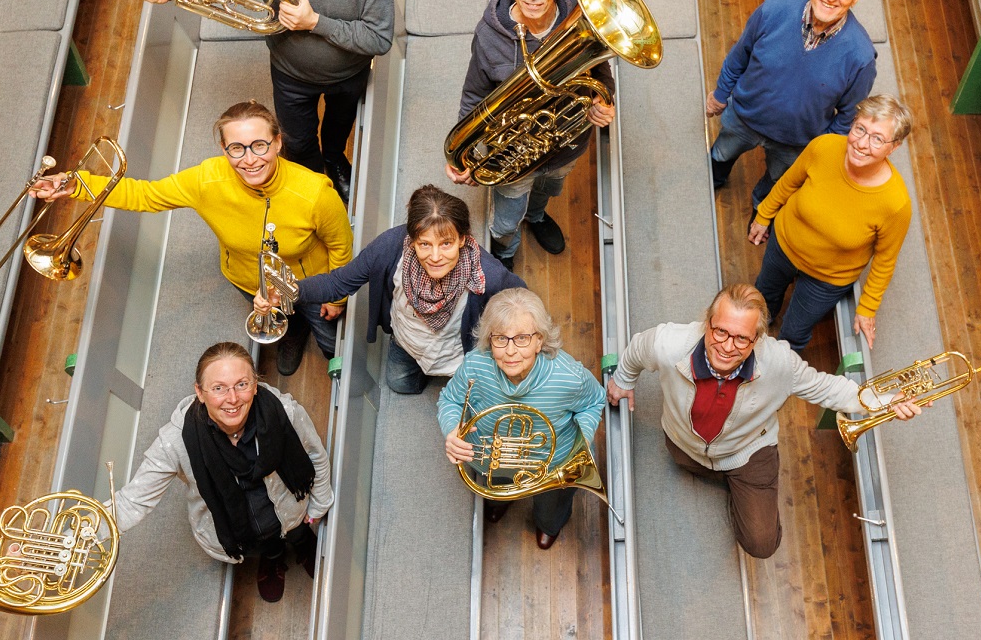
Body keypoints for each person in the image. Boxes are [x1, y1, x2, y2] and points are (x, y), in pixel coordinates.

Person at [128, 0, 395, 203]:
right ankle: (317, 186)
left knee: (337, 130)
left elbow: (380, 39)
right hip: (290, 74)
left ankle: (334, 159)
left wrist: (314, 21)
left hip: (348, 75)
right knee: (297, 142)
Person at [31, 100, 352, 376]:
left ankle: (331, 351)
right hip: (248, 281)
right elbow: (145, 194)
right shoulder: (207, 179)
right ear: (224, 150)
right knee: (284, 323)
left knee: (330, 337)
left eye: (259, 145)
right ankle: (293, 333)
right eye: (236, 149)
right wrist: (75, 185)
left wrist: (335, 298)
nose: (250, 159)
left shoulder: (315, 193)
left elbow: (341, 246)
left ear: (278, 143)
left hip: (312, 283)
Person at [606, 284, 921, 559]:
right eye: (721, 332)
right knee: (685, 463)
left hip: (748, 454)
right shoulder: (668, 342)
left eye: (742, 339)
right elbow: (637, 350)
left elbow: (827, 388)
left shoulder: (780, 362)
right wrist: (623, 379)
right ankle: (729, 484)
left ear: (757, 339)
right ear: (707, 322)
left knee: (761, 543)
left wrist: (884, 400)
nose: (728, 347)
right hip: (683, 445)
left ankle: (744, 488)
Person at [110, 342, 333, 603]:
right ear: (200, 393)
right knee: (266, 546)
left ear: (255, 384)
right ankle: (273, 558)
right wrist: (77, 537)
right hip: (240, 528)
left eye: (242, 384)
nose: (233, 399)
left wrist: (320, 502)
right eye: (218, 388)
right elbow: (130, 502)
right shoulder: (176, 441)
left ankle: (303, 545)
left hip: (291, 510)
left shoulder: (284, 412)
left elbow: (315, 453)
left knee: (297, 532)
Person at [445, 0, 616, 271]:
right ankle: (506, 252)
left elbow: (602, 73)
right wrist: (463, 152)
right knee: (505, 221)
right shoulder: (489, 36)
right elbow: (473, 95)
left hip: (566, 146)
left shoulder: (584, 20)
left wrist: (603, 100)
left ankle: (537, 216)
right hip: (515, 157)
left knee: (548, 190)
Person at [289, 184, 525, 394]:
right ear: (412, 239)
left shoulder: (488, 274)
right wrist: (289, 290)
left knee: (468, 393)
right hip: (406, 342)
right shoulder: (390, 247)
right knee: (400, 384)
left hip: (458, 353)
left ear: (462, 239)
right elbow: (337, 282)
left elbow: (523, 301)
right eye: (424, 244)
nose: (435, 257)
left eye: (446, 244)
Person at [438, 288, 606, 549]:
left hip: (552, 463)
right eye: (500, 339)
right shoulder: (474, 366)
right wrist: (451, 429)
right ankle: (499, 502)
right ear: (489, 340)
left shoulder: (568, 377)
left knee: (552, 508)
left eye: (522, 339)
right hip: (493, 456)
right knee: (496, 490)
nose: (510, 351)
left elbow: (594, 401)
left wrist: (579, 443)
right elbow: (451, 399)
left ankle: (548, 525)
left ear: (540, 340)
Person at [708, 0, 876, 209]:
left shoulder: (861, 56)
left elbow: (847, 117)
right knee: (720, 155)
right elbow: (740, 54)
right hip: (743, 117)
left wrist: (817, 150)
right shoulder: (774, 9)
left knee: (776, 183)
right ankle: (713, 181)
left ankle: (760, 212)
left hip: (795, 142)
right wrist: (720, 94)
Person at [748, 94, 912, 351]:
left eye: (877, 138)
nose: (862, 143)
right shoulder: (823, 146)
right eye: (860, 129)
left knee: (793, 335)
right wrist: (763, 215)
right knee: (761, 301)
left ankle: (776, 372)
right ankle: (750, 336)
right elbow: (789, 182)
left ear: (894, 146)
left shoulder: (895, 203)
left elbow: (884, 260)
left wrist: (868, 307)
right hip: (784, 244)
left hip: (826, 278)